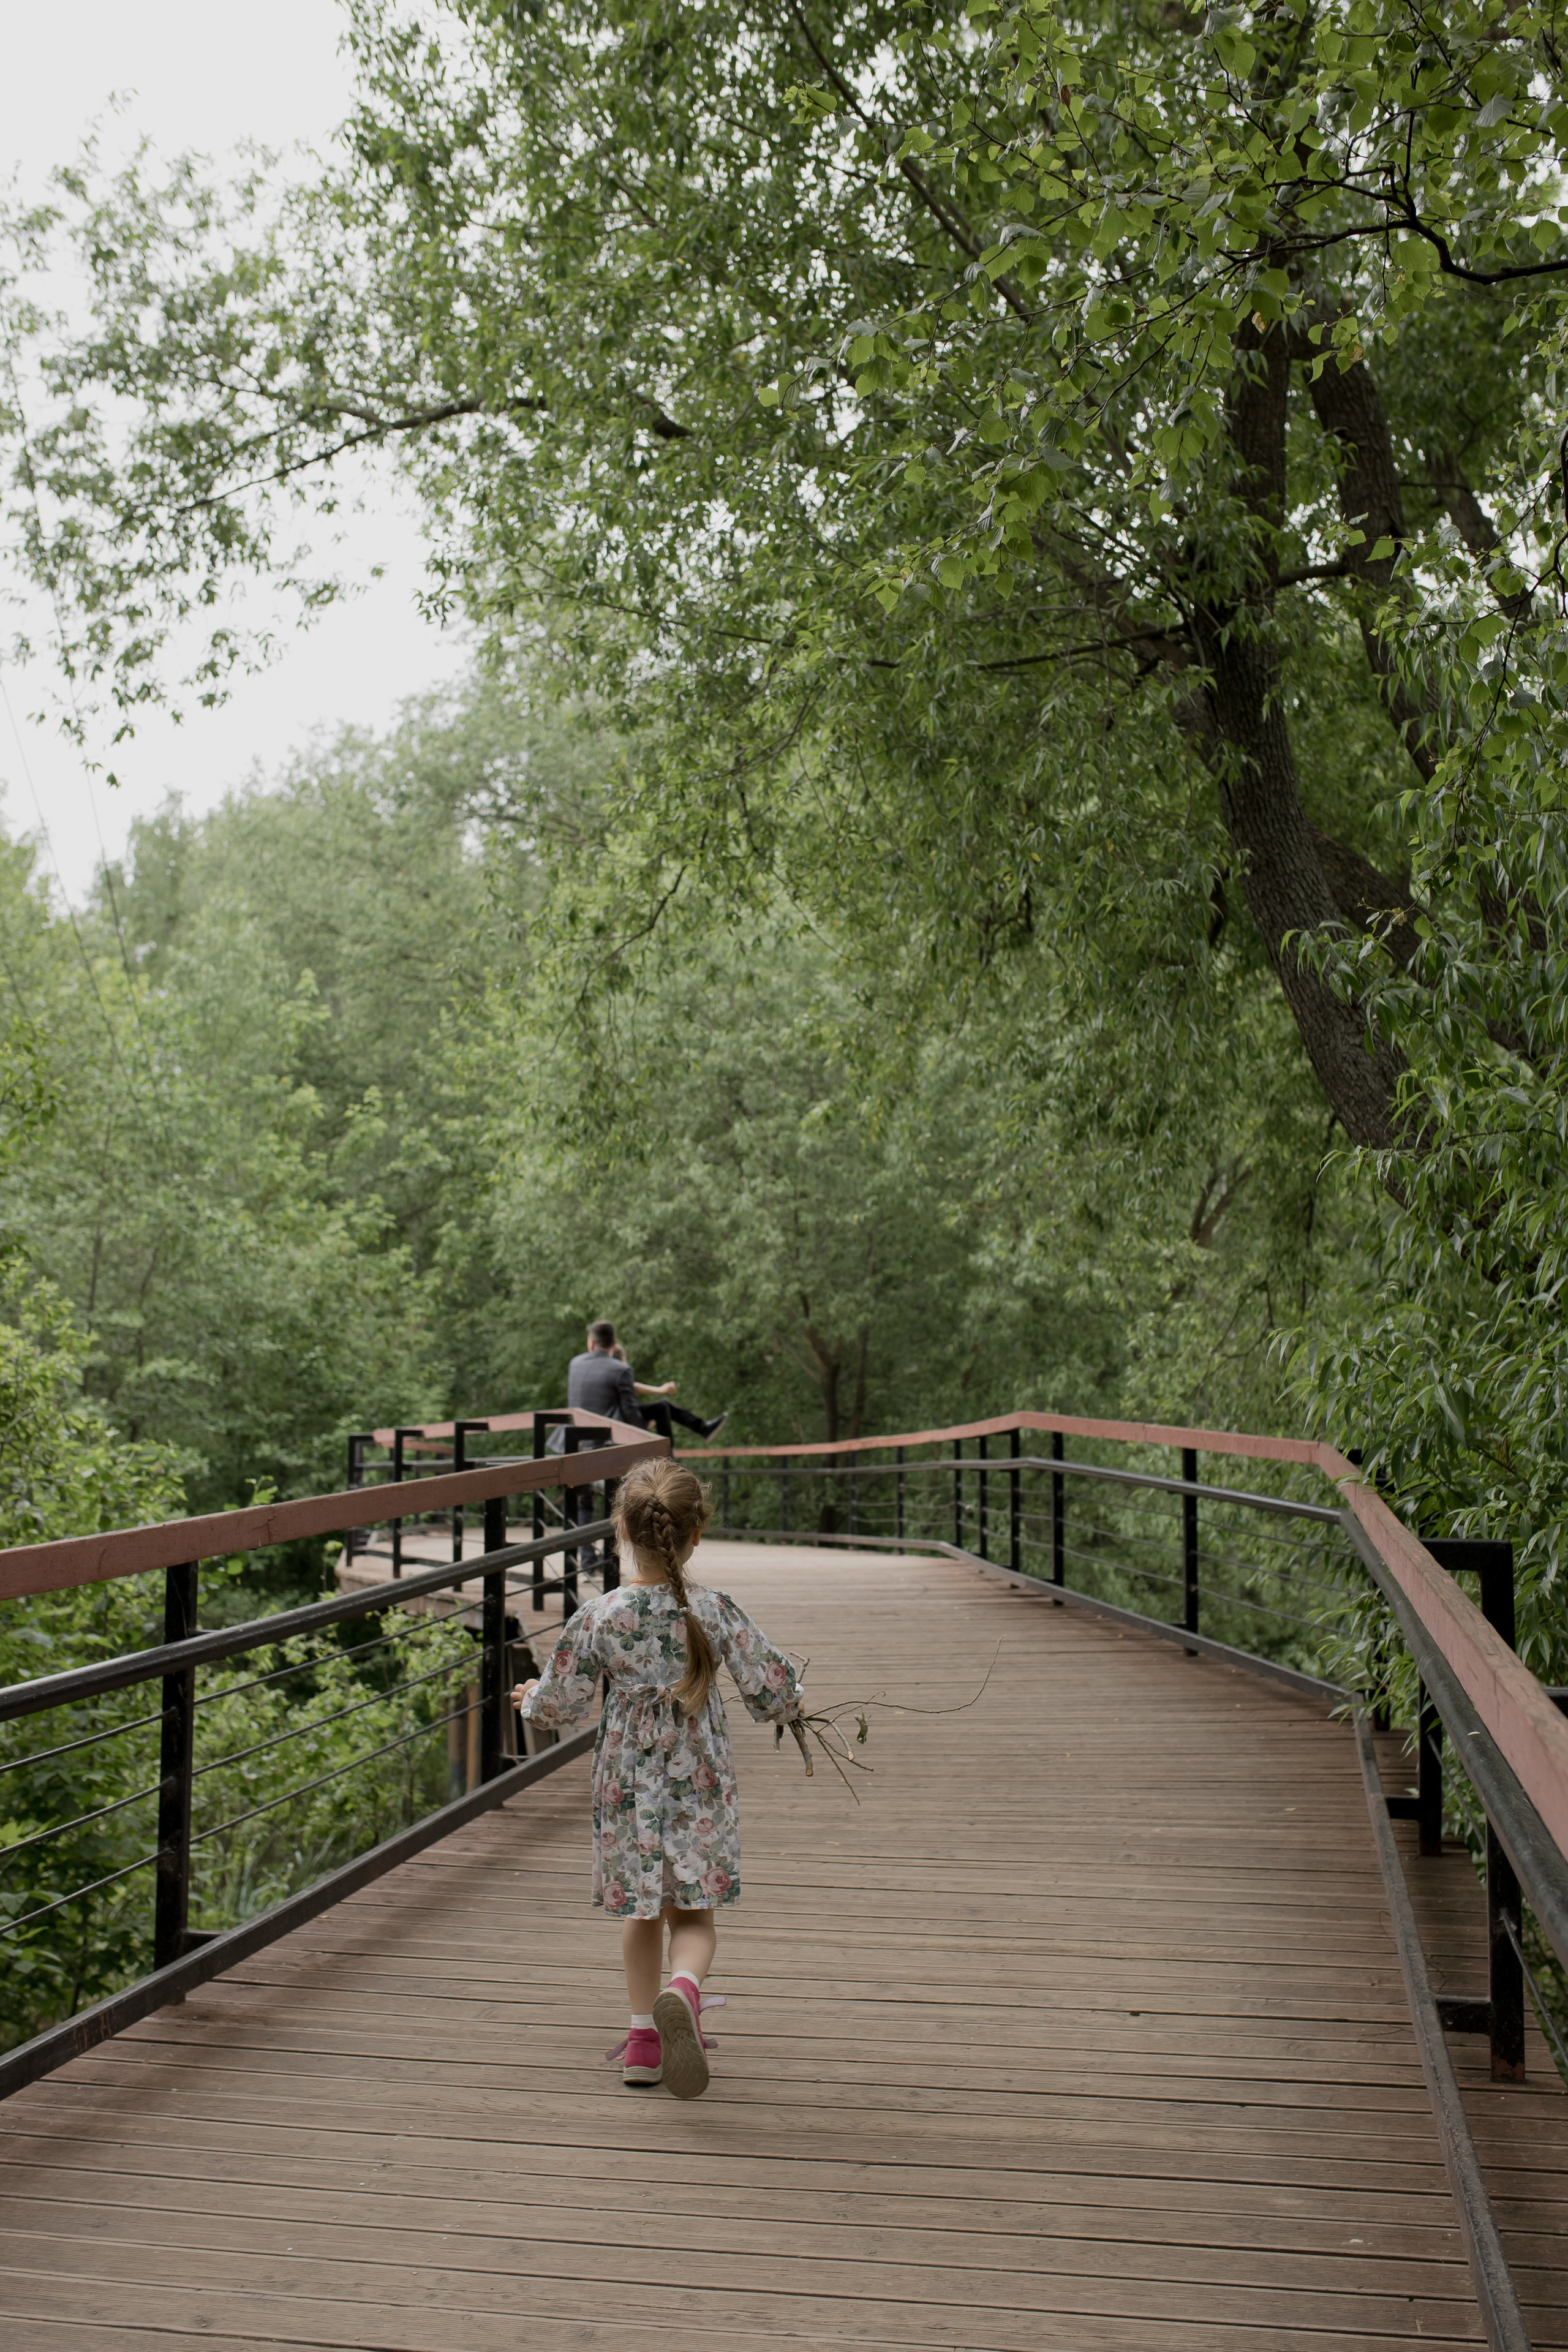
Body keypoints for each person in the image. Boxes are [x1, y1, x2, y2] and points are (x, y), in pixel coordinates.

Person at [512, 1456, 801, 2099]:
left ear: (621, 1531)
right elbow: (772, 1690)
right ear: (697, 1532)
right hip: (696, 1778)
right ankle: (685, 1991)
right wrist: (797, 1705)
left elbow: (560, 1704)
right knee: (693, 1912)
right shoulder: (714, 1610)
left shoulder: (601, 1613)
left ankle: (644, 2041)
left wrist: (531, 1698)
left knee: (641, 1911)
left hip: (627, 1782)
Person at [561, 1321, 726, 1443]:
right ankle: (668, 1456)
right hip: (606, 1431)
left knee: (663, 1406)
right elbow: (630, 1411)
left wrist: (660, 1391)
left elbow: (631, 1389)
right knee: (662, 1408)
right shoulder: (619, 1369)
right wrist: (643, 1428)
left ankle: (699, 1432)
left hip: (574, 1431)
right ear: (615, 1343)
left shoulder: (575, 1363)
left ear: (591, 1343)